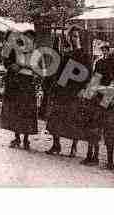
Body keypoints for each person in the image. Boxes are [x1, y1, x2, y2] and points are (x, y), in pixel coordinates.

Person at [45, 26, 91, 157]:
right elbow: (59, 73)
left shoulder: (84, 55)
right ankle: (56, 145)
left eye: (76, 36)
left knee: (75, 119)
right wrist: (55, 87)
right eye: (71, 36)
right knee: (55, 117)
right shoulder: (66, 54)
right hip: (63, 91)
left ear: (80, 38)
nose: (73, 39)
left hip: (75, 91)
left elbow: (88, 75)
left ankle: (74, 147)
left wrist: (83, 89)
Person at [0, 31, 38, 150]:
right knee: (16, 111)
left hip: (28, 85)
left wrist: (29, 69)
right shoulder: (16, 51)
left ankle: (26, 139)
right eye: (26, 39)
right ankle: (17, 137)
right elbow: (7, 63)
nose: (28, 41)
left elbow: (38, 69)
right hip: (17, 84)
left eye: (31, 39)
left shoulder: (35, 54)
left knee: (27, 112)